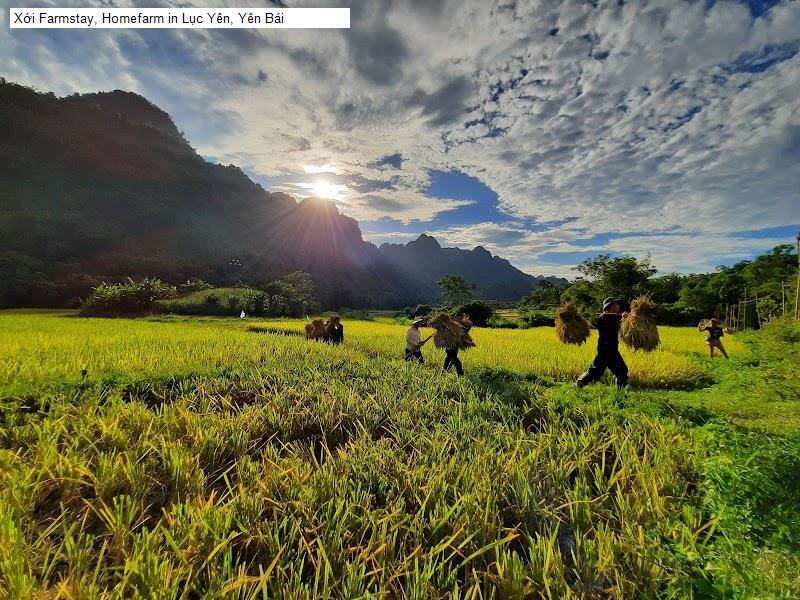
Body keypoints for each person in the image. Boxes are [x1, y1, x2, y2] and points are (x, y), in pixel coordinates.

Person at [577, 297, 629, 388]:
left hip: (611, 348)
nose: (618, 306)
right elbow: (614, 325)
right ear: (611, 306)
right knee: (618, 370)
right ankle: (580, 382)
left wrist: (625, 317)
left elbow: (619, 324)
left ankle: (620, 389)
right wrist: (623, 318)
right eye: (616, 304)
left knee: (601, 370)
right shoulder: (604, 317)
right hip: (606, 349)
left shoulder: (614, 316)